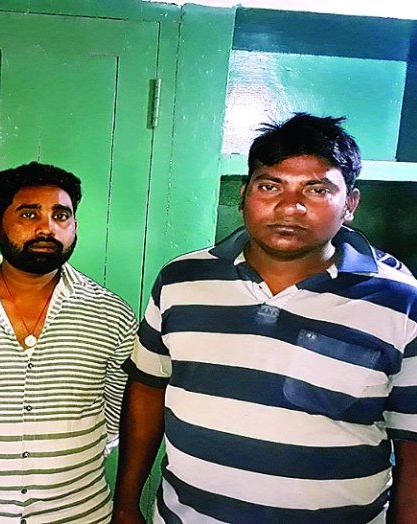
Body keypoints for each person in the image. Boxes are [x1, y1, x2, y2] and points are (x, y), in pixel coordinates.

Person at [112, 113, 417, 523]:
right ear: (243, 195)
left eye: (317, 189)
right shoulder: (181, 280)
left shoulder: (400, 302)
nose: (290, 206)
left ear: (350, 204)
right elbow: (148, 389)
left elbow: (412, 444)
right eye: (270, 186)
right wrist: (126, 503)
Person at [0, 162, 137, 523]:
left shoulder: (111, 314)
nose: (47, 228)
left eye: (60, 215)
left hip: (78, 512)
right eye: (29, 214)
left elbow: (118, 409)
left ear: (74, 227)